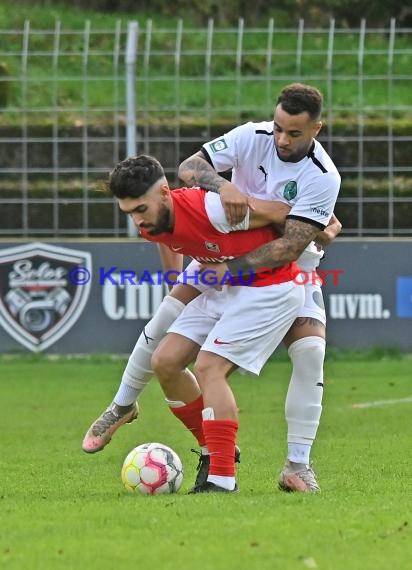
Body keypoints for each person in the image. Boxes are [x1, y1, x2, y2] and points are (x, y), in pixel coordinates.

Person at [82, 82, 341, 493]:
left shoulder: (324, 176)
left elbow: (290, 242)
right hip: (219, 246)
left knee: (309, 354)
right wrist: (226, 186)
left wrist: (315, 225)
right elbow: (191, 166)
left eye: (294, 133)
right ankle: (127, 407)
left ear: (317, 129)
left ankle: (297, 465)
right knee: (168, 323)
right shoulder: (248, 138)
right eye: (278, 128)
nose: (281, 139)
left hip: (286, 263)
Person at [101, 153, 305, 493]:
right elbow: (172, 246)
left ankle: (222, 480)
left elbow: (284, 214)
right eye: (130, 213)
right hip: (222, 284)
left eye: (141, 210)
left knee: (210, 367)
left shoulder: (212, 209)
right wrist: (177, 286)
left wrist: (321, 223)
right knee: (164, 362)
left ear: (165, 193)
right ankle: (215, 450)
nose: (137, 220)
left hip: (270, 286)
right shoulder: (154, 220)